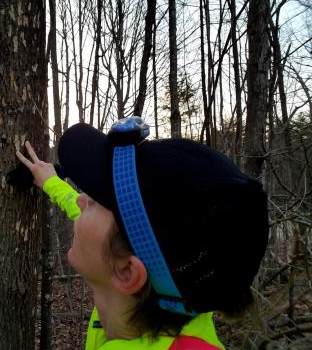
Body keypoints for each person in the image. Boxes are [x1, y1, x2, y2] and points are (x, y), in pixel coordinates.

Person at [14, 117, 269, 350]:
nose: (81, 201)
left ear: (127, 272)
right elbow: (107, 228)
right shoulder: (177, 295)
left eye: (94, 202)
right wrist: (50, 182)